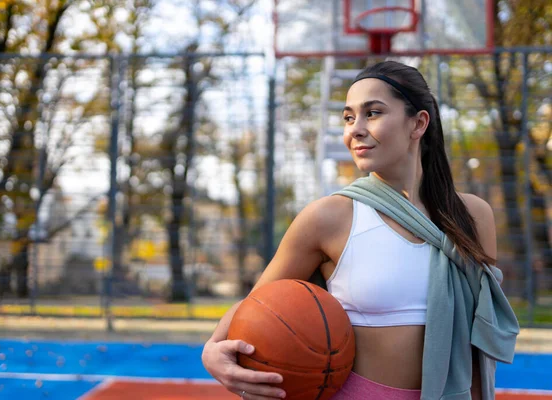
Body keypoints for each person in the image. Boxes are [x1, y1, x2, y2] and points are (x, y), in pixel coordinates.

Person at [201, 61, 519, 400]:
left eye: (374, 113)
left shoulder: (472, 216)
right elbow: (257, 305)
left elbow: (472, 344)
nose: (356, 129)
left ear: (418, 123)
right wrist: (211, 351)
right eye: (349, 117)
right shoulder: (329, 217)